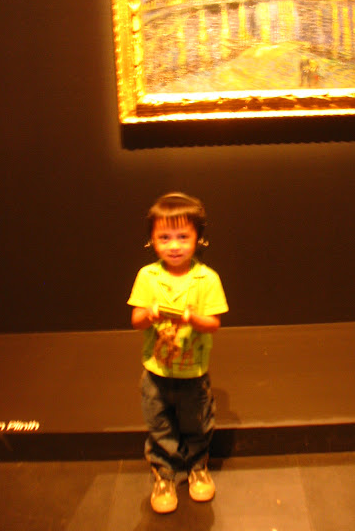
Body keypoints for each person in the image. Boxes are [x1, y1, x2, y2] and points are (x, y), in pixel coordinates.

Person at [128, 192, 228, 514]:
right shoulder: (148, 276)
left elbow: (213, 324)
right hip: (155, 372)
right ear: (152, 241)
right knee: (159, 424)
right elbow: (136, 320)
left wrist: (192, 319)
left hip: (193, 372)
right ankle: (164, 473)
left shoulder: (207, 278)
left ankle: (197, 466)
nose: (174, 246)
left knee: (197, 423)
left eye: (183, 237)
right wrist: (150, 314)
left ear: (198, 238)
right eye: (164, 238)